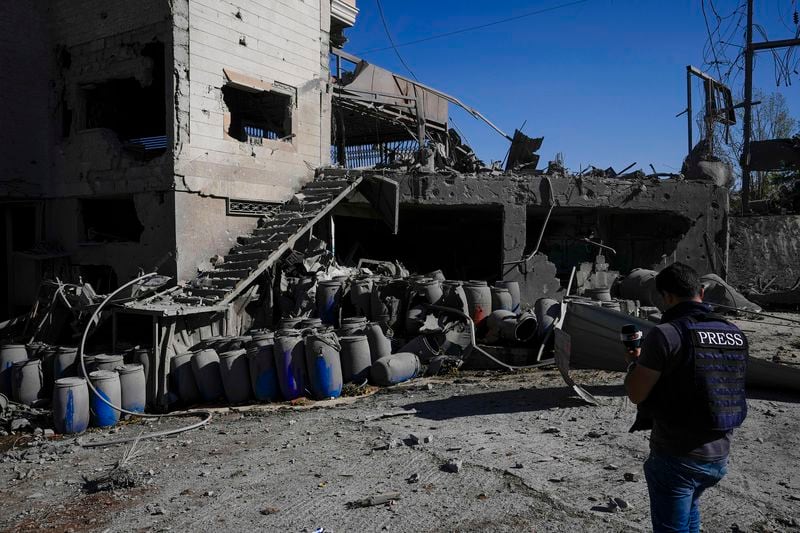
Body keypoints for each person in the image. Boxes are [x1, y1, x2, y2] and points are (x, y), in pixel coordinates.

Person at [624, 262, 748, 533]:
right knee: (690, 517)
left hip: (677, 457)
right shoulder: (735, 333)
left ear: (665, 297)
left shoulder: (665, 334)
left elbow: (636, 393)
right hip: (718, 456)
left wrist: (634, 364)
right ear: (701, 292)